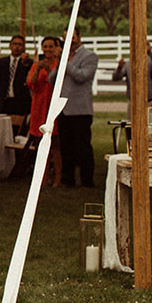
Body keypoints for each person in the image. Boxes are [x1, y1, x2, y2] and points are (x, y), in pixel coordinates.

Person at [57, 31, 99, 189]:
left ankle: (87, 181)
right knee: (66, 146)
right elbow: (52, 79)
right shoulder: (67, 56)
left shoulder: (89, 56)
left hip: (81, 109)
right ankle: (67, 179)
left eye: (72, 37)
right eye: (65, 37)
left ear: (79, 37)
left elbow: (81, 76)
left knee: (83, 147)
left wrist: (64, 62)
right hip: (64, 108)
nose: (69, 40)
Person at [26, 36, 61, 185]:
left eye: (50, 47)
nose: (47, 49)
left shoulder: (58, 64)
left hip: (52, 105)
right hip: (39, 107)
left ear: (55, 48)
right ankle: (43, 176)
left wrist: (48, 70)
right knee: (40, 143)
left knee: (55, 144)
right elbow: (30, 84)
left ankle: (58, 177)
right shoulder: (36, 65)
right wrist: (37, 69)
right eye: (45, 47)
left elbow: (58, 83)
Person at [0, 34, 34, 132]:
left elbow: (28, 80)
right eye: (14, 44)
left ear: (23, 47)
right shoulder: (2, 61)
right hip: (4, 102)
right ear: (10, 46)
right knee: (1, 131)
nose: (17, 47)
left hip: (20, 103)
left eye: (20, 44)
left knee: (17, 131)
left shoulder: (28, 62)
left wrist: (24, 64)